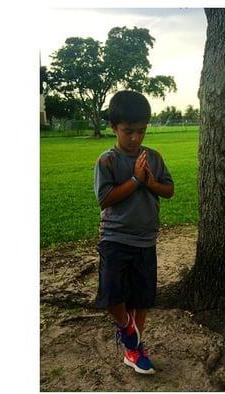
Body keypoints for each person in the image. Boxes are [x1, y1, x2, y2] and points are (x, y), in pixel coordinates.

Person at [93, 90, 174, 374]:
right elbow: (105, 199)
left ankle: (134, 349)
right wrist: (135, 180)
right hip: (114, 239)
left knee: (141, 298)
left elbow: (169, 190)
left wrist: (150, 182)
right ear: (114, 127)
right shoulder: (107, 161)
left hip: (145, 240)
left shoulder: (153, 157)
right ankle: (129, 332)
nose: (136, 138)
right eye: (128, 131)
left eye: (141, 131)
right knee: (112, 297)